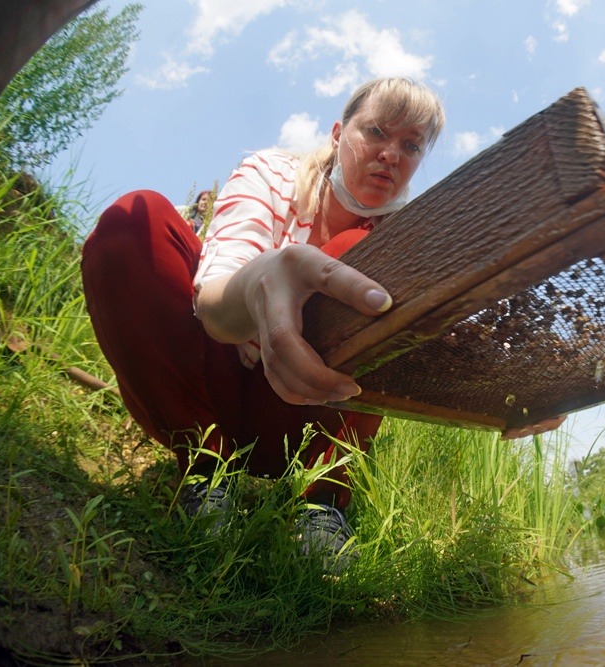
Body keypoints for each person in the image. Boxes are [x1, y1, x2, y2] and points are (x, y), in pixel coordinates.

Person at [80, 77, 446, 571]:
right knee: (134, 218)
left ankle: (321, 502)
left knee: (367, 260)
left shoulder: (413, 236)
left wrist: (521, 399)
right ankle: (206, 470)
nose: (390, 154)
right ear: (338, 134)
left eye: (411, 145)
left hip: (307, 418)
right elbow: (212, 295)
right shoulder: (270, 174)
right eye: (376, 131)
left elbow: (435, 358)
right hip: (213, 385)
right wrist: (261, 284)